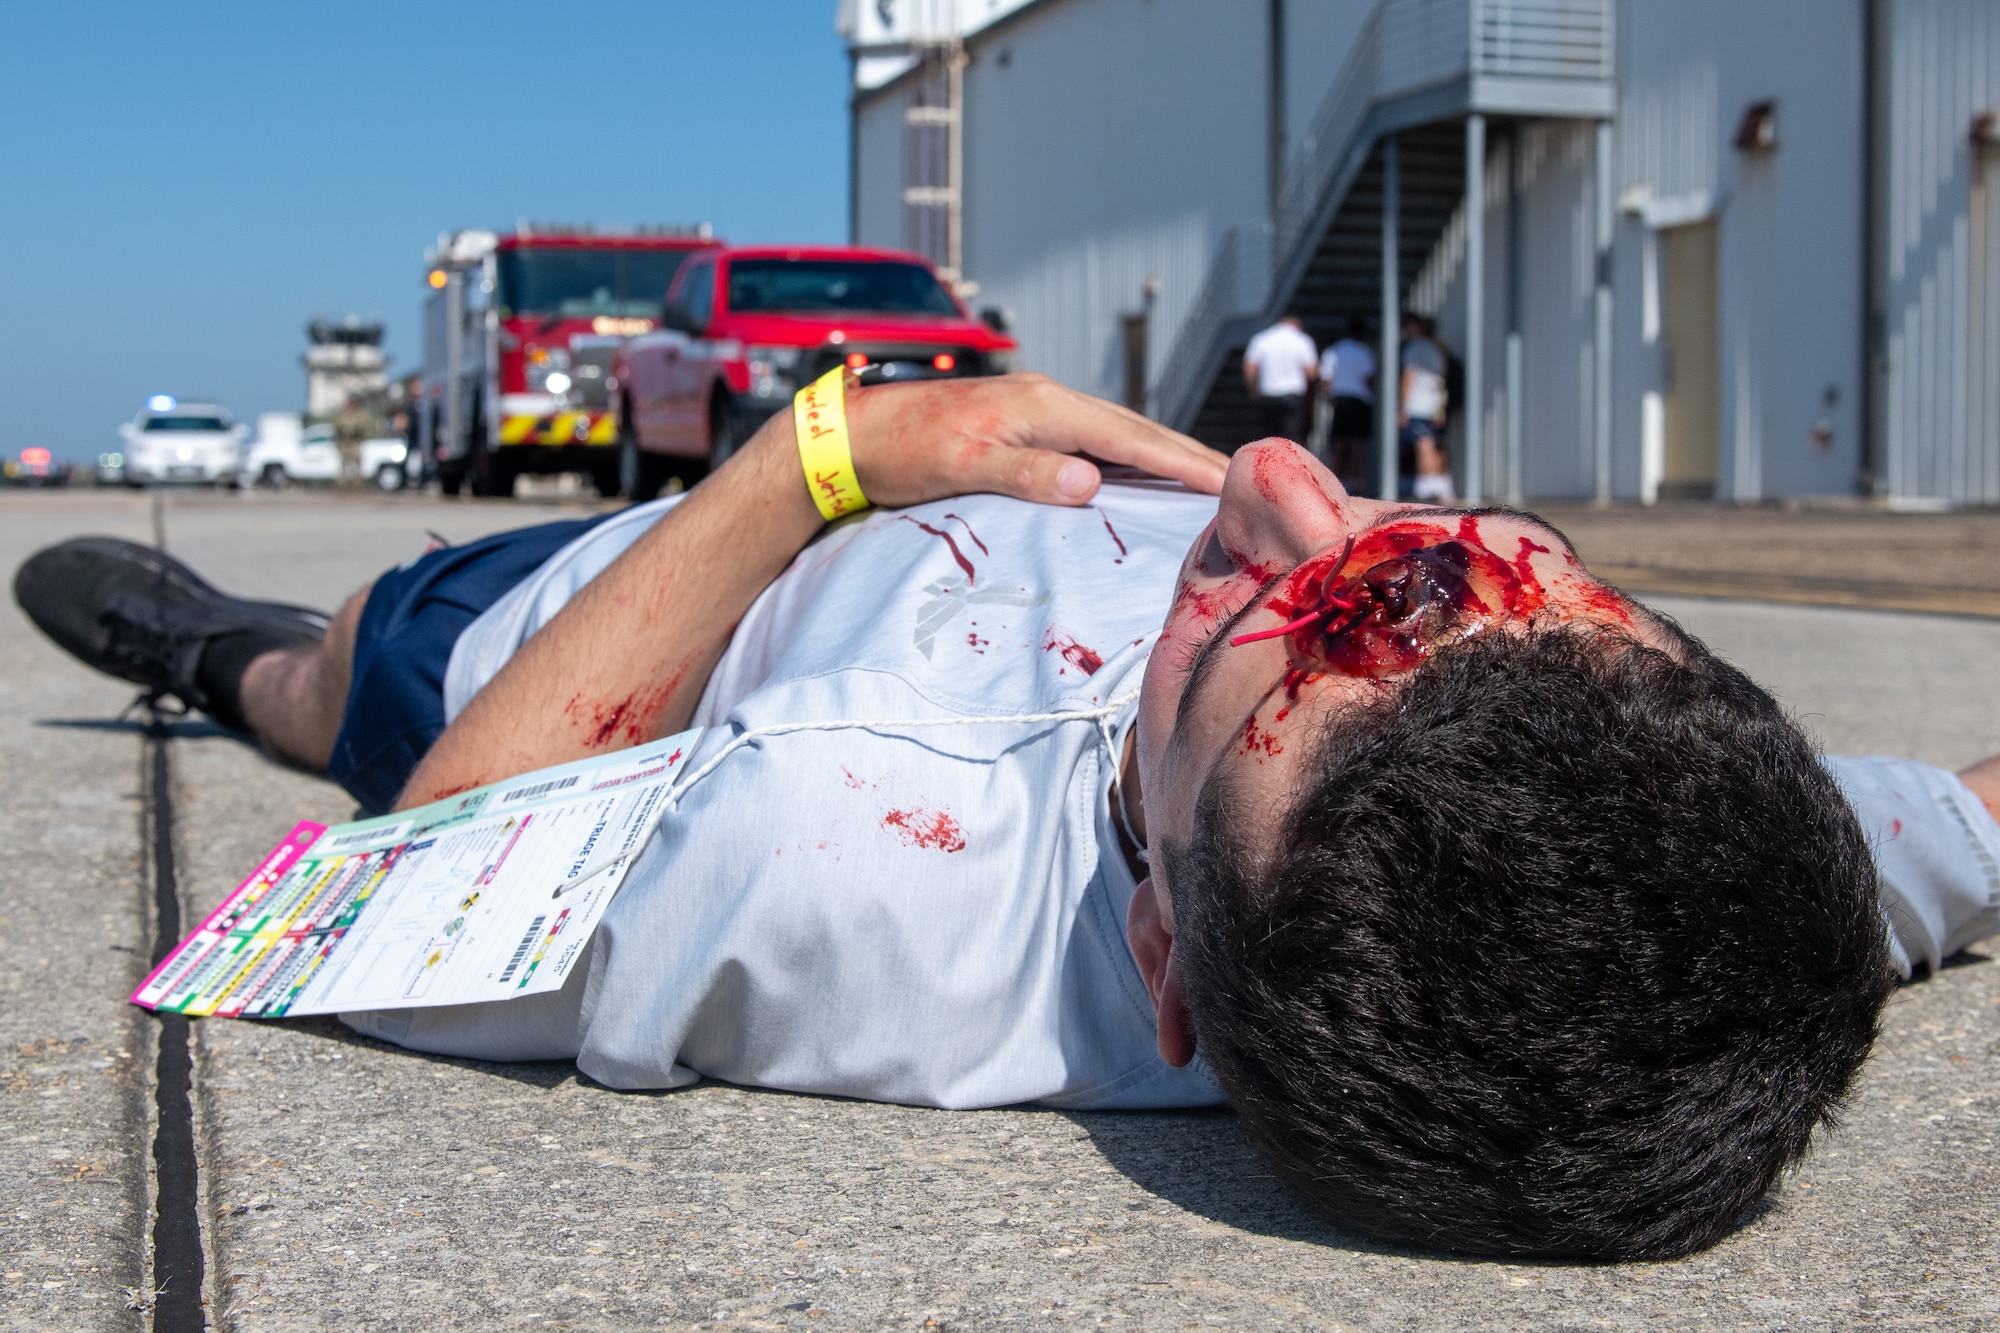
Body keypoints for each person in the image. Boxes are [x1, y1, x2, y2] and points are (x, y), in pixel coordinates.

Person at [16, 375, 1997, 1263]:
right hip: (888, 513)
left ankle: (222, 650)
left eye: (1267, 624)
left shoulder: (827, 866)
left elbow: (375, 908)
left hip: (580, 640)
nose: (1285, 485)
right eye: (1444, 565)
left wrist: (818, 458)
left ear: (1160, 962)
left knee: (349, 660)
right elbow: (1954, 826)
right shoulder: (1724, 888)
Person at [1317, 317, 1376, 495]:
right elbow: (1369, 379)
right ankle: (1356, 482)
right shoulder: (1363, 351)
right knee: (1357, 443)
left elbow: (1326, 380)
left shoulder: (1333, 350)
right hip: (1358, 400)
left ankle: (1335, 483)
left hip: (1340, 399)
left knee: (1338, 443)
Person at [1398, 314, 1454, 502]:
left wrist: (1403, 407)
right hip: (1436, 404)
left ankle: (1427, 486)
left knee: (1423, 445)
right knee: (1436, 445)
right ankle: (1441, 485)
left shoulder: (1414, 349)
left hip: (1419, 405)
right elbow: (1444, 375)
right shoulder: (1438, 350)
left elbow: (1409, 377)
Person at [1242, 313, 1317, 449]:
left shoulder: (1262, 339)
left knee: (1268, 440)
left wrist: (1253, 390)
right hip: (1293, 396)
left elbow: (1249, 368)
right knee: (1291, 440)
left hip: (1268, 395)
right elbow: (1311, 373)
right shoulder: (1302, 340)